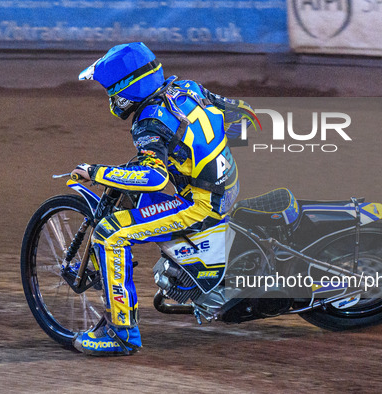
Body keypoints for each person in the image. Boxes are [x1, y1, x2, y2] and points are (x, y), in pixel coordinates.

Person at [70, 42, 254, 356]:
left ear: (126, 88)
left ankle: (120, 334)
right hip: (229, 185)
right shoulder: (186, 88)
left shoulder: (149, 122)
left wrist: (95, 172)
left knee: (109, 233)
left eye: (111, 90)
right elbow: (245, 118)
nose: (110, 98)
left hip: (201, 204)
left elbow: (154, 178)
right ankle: (189, 273)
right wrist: (195, 147)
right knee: (140, 197)